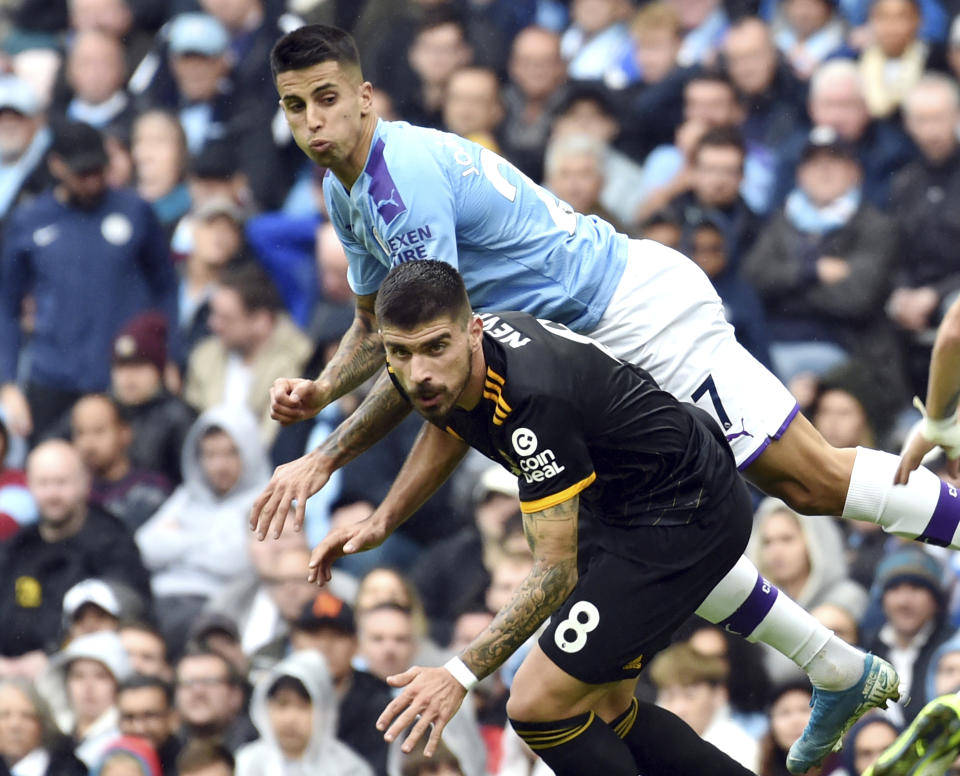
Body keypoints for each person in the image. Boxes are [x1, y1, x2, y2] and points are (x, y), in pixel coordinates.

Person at [253, 26, 953, 747]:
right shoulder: (348, 191)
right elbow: (379, 325)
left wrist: (325, 459)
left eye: (327, 99)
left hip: (637, 316)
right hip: (580, 353)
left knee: (808, 480)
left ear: (365, 99)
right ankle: (836, 669)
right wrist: (323, 385)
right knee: (661, 537)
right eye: (294, 105)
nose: (312, 122)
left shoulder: (402, 189)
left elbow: (428, 366)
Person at [303, 260, 898, 775]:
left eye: (434, 348)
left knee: (535, 705)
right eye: (399, 355)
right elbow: (449, 421)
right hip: (628, 500)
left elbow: (554, 572)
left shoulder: (535, 402)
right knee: (604, 708)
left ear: (473, 331)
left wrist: (457, 674)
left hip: (681, 513)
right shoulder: (449, 369)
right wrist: (384, 518)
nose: (419, 373)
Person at [0, 120, 178, 442]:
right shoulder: (28, 221)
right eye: (82, 173)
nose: (94, 181)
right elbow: (6, 305)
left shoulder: (135, 210)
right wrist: (7, 382)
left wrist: (171, 356)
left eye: (99, 170)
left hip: (124, 376)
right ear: (56, 165)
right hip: (53, 379)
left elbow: (165, 286)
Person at [0, 441, 150, 666]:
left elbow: (123, 613)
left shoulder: (113, 541)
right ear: (29, 485)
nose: (52, 494)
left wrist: (52, 657)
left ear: (85, 483)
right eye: (43, 483)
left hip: (78, 668)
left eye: (61, 482)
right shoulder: (16, 546)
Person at [135, 406, 265, 654]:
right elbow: (144, 548)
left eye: (230, 454)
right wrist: (208, 541)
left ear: (249, 452)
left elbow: (236, 560)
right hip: (159, 596)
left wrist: (178, 539)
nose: (220, 466)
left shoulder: (264, 500)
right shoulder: (186, 496)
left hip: (215, 604)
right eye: (210, 455)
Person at [184, 264, 312, 444]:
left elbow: (275, 439)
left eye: (226, 318)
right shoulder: (203, 358)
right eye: (213, 314)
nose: (213, 324)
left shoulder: (299, 362)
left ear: (261, 321)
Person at [235, 651, 372, 776]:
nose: (290, 719)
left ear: (325, 711)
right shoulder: (244, 764)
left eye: (303, 706)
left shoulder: (350, 769)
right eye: (282, 704)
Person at [649, 643, 760, 772]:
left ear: (719, 695)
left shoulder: (739, 746)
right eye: (669, 696)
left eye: (689, 695)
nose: (678, 708)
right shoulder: (646, 744)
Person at [70, 393, 172, 532]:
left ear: (124, 433)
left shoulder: (152, 491)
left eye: (99, 431)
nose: (88, 444)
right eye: (80, 433)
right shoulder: (70, 493)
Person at [0, 677, 87, 776]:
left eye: (27, 716)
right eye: (4, 715)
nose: (15, 725)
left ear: (42, 723)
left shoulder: (71, 769)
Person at [117, 675, 182, 776]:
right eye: (129, 717)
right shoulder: (108, 764)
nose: (139, 728)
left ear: (172, 719)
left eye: (149, 716)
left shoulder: (193, 767)